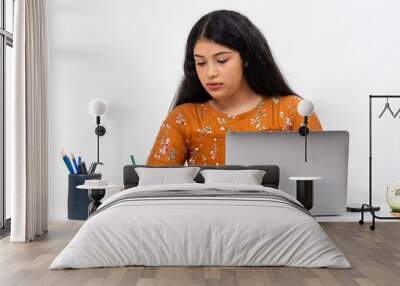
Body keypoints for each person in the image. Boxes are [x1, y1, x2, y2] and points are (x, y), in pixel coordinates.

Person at [146, 10, 322, 166]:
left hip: (277, 204)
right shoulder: (184, 118)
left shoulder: (294, 111)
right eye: (200, 63)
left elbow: (320, 181)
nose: (210, 73)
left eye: (222, 60)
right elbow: (153, 188)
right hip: (203, 205)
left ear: (246, 58)